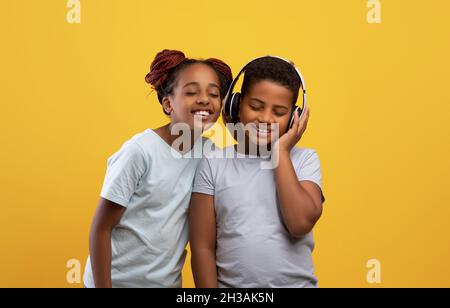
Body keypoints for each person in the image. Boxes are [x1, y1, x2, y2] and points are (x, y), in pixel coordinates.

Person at [83, 49, 232, 288]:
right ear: (167, 103)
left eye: (214, 94)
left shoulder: (210, 153)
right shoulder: (140, 152)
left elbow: (245, 166)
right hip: (116, 283)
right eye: (192, 92)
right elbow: (101, 228)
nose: (205, 99)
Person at [190, 56, 324, 288]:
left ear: (295, 118)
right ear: (236, 105)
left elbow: (300, 223)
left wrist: (281, 151)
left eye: (279, 112)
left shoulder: (304, 160)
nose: (265, 118)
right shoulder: (213, 163)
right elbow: (202, 247)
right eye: (256, 106)